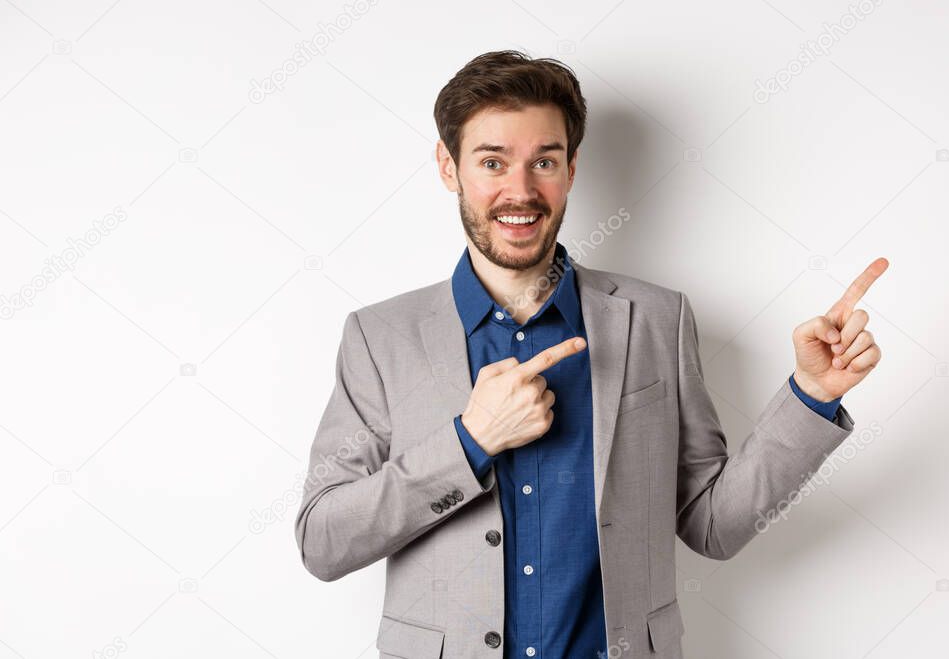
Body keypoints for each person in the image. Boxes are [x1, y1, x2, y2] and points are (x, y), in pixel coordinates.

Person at [294, 50, 886, 659]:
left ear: (571, 168)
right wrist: (471, 441)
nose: (519, 191)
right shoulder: (380, 337)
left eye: (543, 161)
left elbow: (713, 525)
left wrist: (814, 394)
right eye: (492, 161)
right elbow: (324, 540)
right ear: (449, 166)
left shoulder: (658, 319)